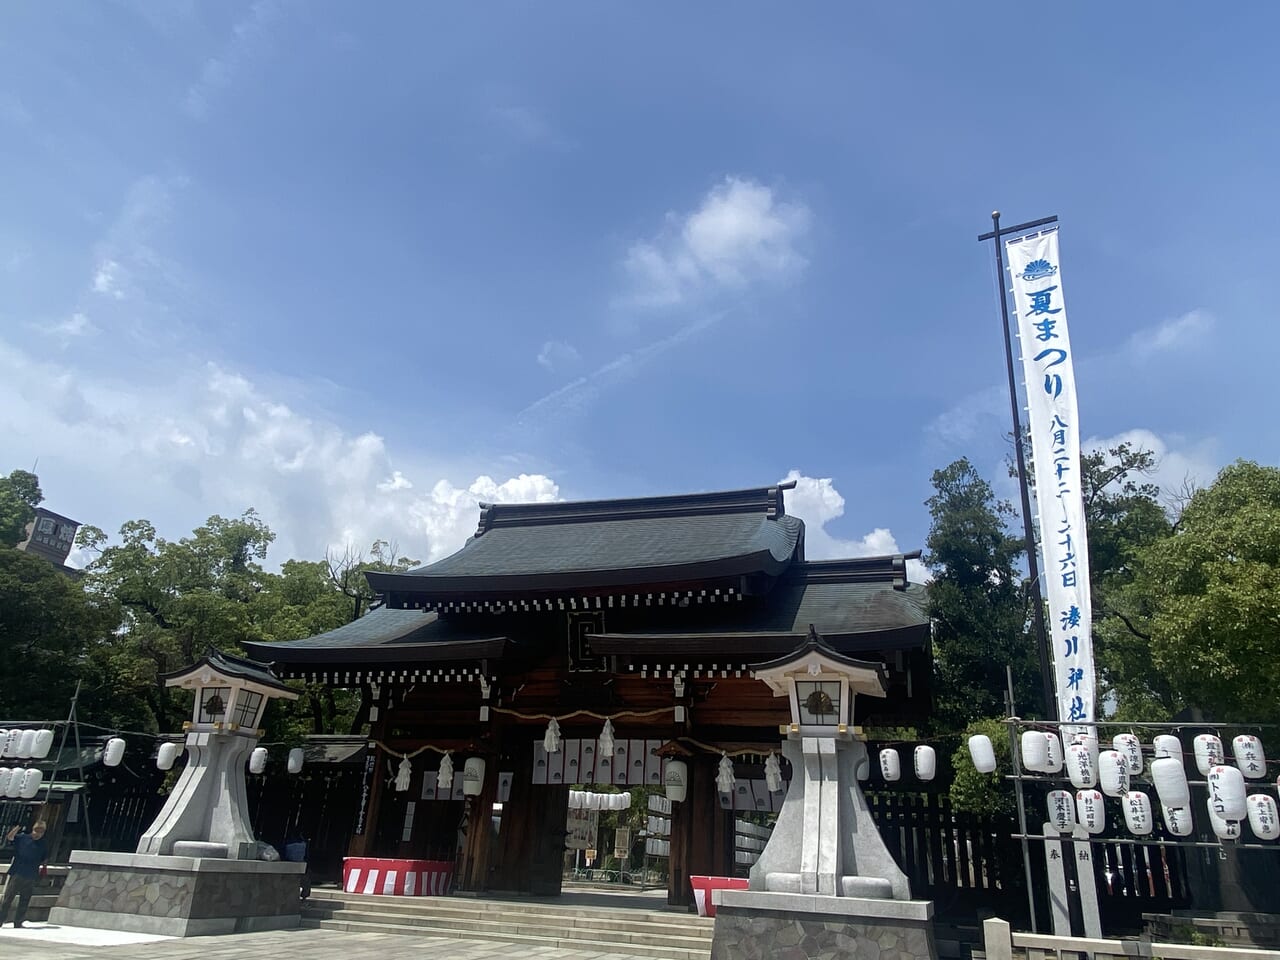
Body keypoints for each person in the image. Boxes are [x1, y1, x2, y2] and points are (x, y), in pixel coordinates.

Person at [1, 820, 49, 928]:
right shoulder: (23, 838)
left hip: (31, 874)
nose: (38, 834)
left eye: (41, 832)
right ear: (33, 830)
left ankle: (18, 921)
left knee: (25, 900)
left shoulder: (43, 844)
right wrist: (17, 827)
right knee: (8, 898)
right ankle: (1, 919)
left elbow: (44, 857)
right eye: (37, 831)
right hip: (18, 872)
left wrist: (44, 868)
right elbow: (10, 838)